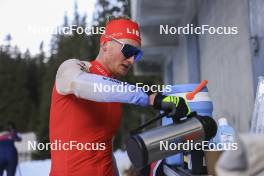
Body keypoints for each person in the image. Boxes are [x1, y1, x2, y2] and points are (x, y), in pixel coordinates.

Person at [49, 16, 191, 176]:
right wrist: (150, 97)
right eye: (128, 50)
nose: (131, 60)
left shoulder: (114, 93)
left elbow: (105, 150)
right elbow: (85, 83)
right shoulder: (72, 69)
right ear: (105, 45)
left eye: (136, 55)